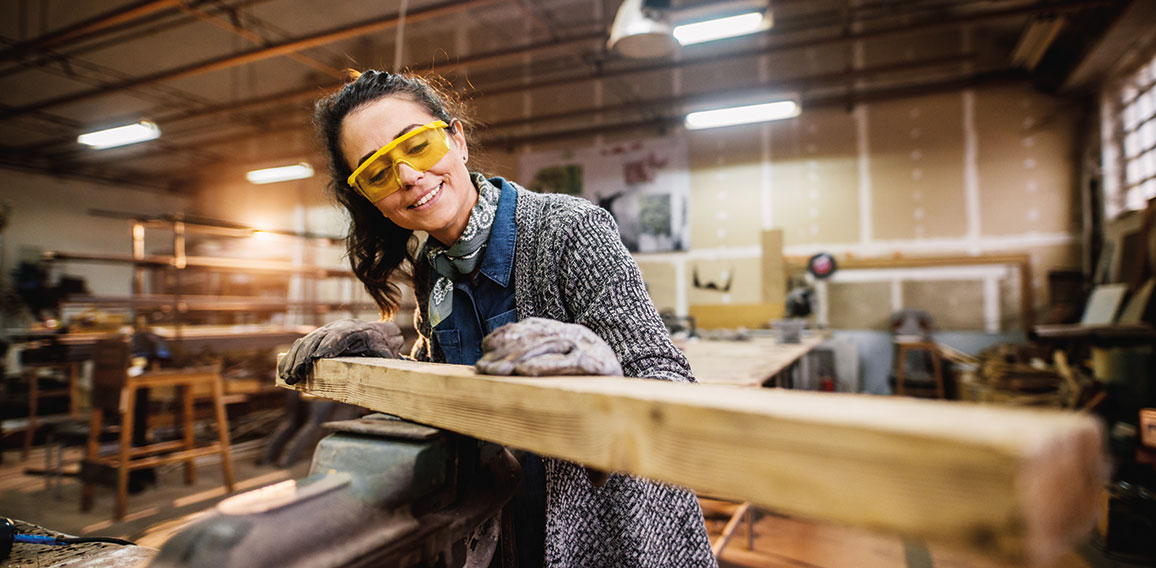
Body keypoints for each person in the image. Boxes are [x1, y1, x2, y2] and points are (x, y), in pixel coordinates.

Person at [278, 70, 716, 568]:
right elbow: (454, 384)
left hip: (609, 531)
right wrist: (385, 369)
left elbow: (668, 382)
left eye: (417, 145)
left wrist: (601, 368)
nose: (407, 177)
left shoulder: (570, 229)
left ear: (456, 140)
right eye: (378, 173)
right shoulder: (432, 268)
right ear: (370, 199)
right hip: (505, 524)